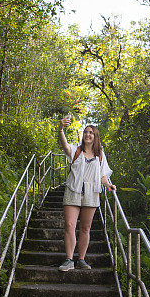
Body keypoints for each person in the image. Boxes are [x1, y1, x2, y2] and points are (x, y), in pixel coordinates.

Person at [57, 116, 117, 271]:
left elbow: (103, 176)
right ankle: (69, 259)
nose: (87, 134)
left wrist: (109, 185)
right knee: (70, 225)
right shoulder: (76, 150)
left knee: (85, 227)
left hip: (91, 192)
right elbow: (64, 145)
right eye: (85, 132)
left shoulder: (100, 155)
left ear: (95, 136)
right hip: (73, 191)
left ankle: (81, 259)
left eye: (91, 132)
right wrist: (61, 129)